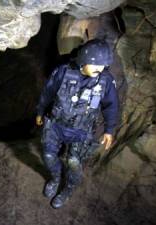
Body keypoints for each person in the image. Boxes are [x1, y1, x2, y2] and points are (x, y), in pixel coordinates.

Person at [35, 39, 119, 209]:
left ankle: (68, 189)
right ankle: (55, 178)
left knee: (74, 162)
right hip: (56, 125)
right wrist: (40, 111)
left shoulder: (105, 81)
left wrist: (109, 129)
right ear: (82, 60)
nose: (100, 69)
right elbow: (47, 93)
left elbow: (112, 105)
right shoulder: (63, 72)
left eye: (103, 66)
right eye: (95, 65)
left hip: (81, 130)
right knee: (49, 155)